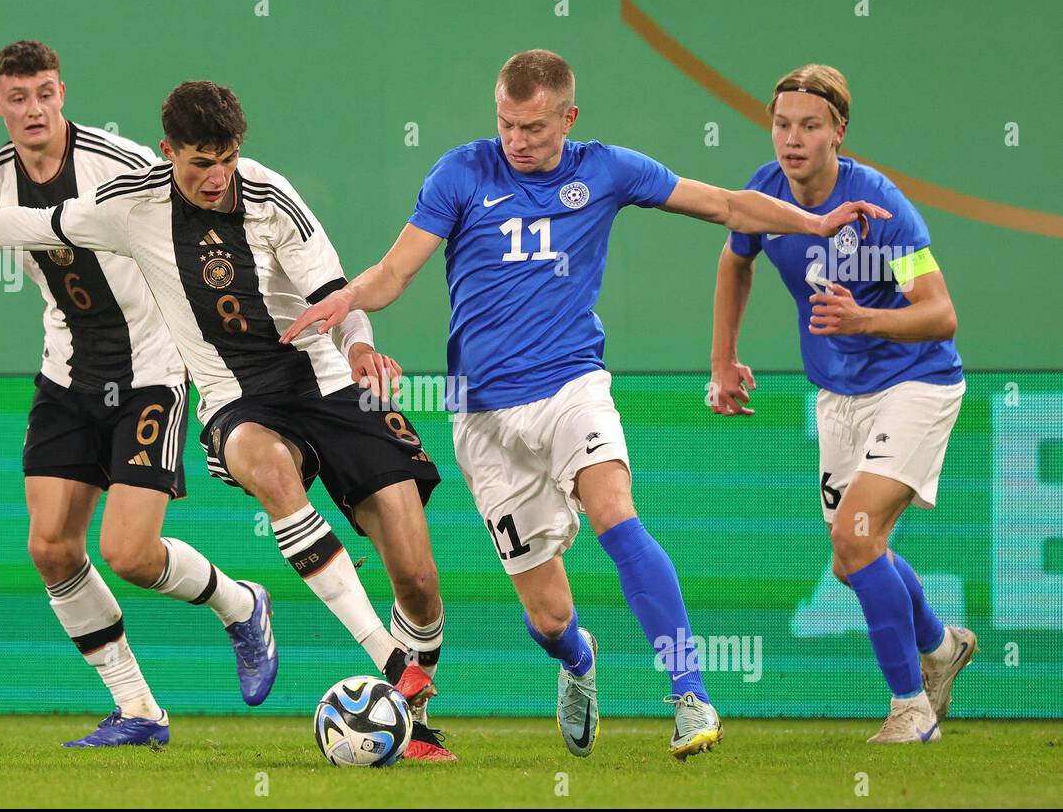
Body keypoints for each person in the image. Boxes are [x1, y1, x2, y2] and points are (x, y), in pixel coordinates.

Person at [282, 49, 889, 760]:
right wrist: (348, 300)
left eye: (534, 127)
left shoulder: (607, 170)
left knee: (616, 515)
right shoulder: (461, 173)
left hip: (572, 386)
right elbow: (393, 272)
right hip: (483, 417)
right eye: (507, 124)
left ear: (569, 117)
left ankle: (690, 695)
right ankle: (578, 661)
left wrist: (816, 224)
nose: (517, 140)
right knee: (548, 618)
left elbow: (724, 204)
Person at [0, 80, 456, 761]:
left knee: (416, 574)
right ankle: (386, 658)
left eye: (227, 160)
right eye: (199, 163)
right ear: (168, 153)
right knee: (268, 472)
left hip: (327, 383)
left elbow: (335, 296)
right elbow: (26, 226)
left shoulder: (271, 197)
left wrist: (360, 345)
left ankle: (412, 711)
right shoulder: (132, 204)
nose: (216, 178)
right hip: (236, 399)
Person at [0, 42, 279, 748]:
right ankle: (138, 712)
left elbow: (199, 226)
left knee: (130, 553)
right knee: (52, 547)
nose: (33, 108)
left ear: (62, 92)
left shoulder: (119, 164)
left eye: (43, 92)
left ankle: (242, 604)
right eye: (17, 96)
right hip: (67, 375)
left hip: (153, 370)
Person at [708, 64, 976, 744]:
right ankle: (943, 647)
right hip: (839, 396)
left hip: (917, 382)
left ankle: (911, 711)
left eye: (810, 126)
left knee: (857, 540)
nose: (792, 140)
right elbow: (735, 258)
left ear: (839, 133)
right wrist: (723, 359)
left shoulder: (881, 208)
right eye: (781, 124)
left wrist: (865, 322)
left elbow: (941, 314)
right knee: (852, 554)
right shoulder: (766, 194)